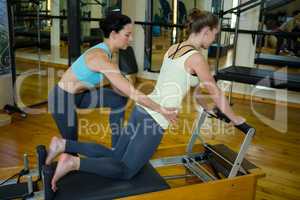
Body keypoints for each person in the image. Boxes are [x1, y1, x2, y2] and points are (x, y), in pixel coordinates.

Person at [46, 9, 245, 192]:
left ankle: (65, 146)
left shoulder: (174, 49)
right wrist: (235, 118)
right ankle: (73, 163)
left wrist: (205, 106)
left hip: (141, 110)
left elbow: (190, 85)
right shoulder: (197, 58)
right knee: (126, 170)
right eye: (215, 33)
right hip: (156, 117)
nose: (215, 38)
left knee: (116, 154)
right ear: (206, 31)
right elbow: (214, 89)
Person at [48, 13, 178, 148]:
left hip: (82, 96)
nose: (131, 38)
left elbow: (120, 90)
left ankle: (117, 146)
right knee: (71, 146)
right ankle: (49, 158)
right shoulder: (100, 58)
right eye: (127, 35)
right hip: (61, 99)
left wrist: (126, 84)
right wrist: (160, 109)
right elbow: (133, 93)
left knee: (118, 100)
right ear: (113, 34)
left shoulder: (109, 53)